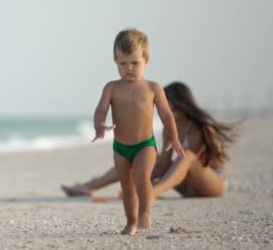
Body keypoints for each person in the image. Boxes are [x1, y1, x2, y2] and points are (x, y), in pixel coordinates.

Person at [62, 81, 239, 201]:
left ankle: (152, 193)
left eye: (168, 103)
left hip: (211, 185)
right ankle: (90, 186)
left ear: (181, 104)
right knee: (137, 158)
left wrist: (150, 186)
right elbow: (163, 165)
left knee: (187, 157)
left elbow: (183, 164)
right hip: (184, 187)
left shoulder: (199, 128)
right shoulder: (169, 128)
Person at [89, 28, 184, 236]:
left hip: (145, 145)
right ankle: (131, 223)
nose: (129, 68)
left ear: (146, 61)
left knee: (141, 177)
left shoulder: (153, 88)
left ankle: (145, 211)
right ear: (116, 62)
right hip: (121, 148)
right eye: (122, 64)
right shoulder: (112, 88)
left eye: (134, 63)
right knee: (127, 188)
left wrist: (174, 138)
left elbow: (167, 115)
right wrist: (99, 125)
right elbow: (101, 109)